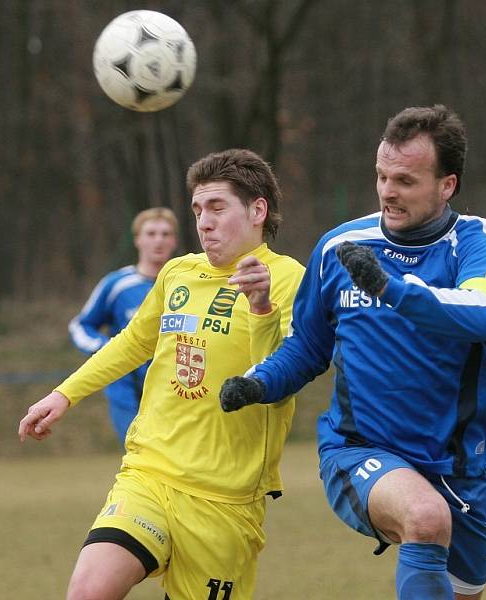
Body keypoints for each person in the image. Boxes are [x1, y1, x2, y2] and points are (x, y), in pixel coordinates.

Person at [220, 105, 486, 600]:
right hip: (360, 450)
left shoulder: (476, 243)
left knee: (463, 589)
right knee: (424, 517)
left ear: (447, 185)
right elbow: (309, 346)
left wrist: (392, 289)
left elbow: (481, 312)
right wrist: (259, 381)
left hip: (459, 462)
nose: (386, 191)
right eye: (380, 175)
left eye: (404, 179)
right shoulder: (341, 246)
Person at [18, 148, 305, 600]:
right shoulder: (178, 273)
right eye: (197, 210)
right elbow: (133, 341)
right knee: (88, 591)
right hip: (150, 473)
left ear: (257, 210)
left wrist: (262, 309)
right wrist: (64, 395)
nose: (203, 222)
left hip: (225, 499)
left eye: (216, 207)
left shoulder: (289, 279)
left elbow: (277, 380)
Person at [68, 207, 178, 442]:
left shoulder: (185, 284)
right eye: (151, 233)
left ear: (174, 241)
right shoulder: (117, 285)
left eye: (165, 234)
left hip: (174, 388)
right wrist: (105, 348)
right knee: (140, 454)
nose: (159, 240)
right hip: (127, 389)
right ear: (137, 239)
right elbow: (81, 325)